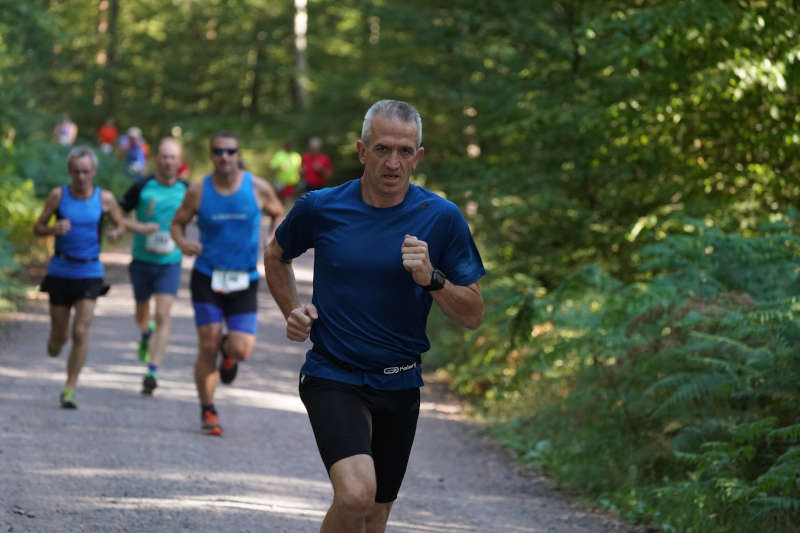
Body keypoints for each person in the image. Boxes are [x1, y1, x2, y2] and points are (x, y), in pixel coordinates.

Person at [264, 99, 485, 533]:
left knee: (374, 516)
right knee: (355, 494)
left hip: (400, 380)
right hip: (333, 373)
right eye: (383, 149)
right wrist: (292, 309)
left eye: (405, 152)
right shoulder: (322, 207)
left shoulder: (441, 218)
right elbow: (276, 255)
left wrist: (433, 279)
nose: (393, 162)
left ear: (418, 157)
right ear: (362, 151)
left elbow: (474, 313)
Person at [170, 130, 284, 436]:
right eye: (218, 151)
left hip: (243, 278)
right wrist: (182, 244)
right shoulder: (197, 190)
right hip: (207, 275)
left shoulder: (257, 187)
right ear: (211, 155)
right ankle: (208, 409)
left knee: (242, 348)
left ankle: (229, 351)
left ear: (238, 154)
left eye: (230, 151)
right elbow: (177, 224)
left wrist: (274, 236)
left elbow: (278, 213)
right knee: (206, 347)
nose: (224, 157)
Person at [33, 146, 126, 409]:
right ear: (69, 171)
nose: (81, 177)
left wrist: (117, 233)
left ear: (94, 171)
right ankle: (55, 341)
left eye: (86, 171)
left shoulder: (104, 199)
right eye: (76, 172)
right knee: (60, 335)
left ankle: (70, 388)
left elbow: (119, 223)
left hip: (89, 271)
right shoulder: (57, 196)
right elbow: (37, 228)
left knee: (81, 330)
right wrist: (53, 229)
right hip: (61, 271)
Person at [119, 138, 188, 395]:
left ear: (180, 162)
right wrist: (137, 227)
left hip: (170, 263)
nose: (168, 161)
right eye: (164, 156)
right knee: (142, 315)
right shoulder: (142, 185)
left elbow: (201, 219)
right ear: (156, 159)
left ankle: (152, 370)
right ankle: (145, 334)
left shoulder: (187, 190)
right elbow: (120, 214)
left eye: (173, 157)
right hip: (141, 261)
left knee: (163, 315)